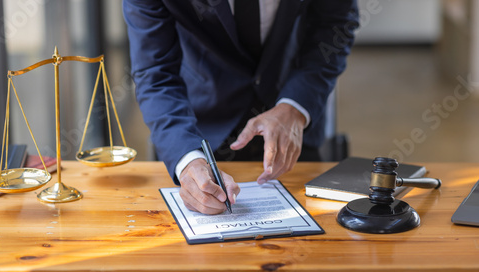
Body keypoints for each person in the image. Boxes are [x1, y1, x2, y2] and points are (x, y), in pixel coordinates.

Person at [123, 0, 358, 214]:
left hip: (292, 125)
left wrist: (295, 106)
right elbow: (156, 74)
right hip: (204, 132)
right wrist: (187, 159)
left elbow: (335, 26)